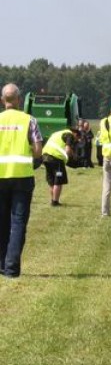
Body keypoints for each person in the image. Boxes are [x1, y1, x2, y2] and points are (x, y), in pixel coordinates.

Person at [0, 83, 43, 278]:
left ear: (3, 100)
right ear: (18, 100)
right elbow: (38, 149)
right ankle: (11, 269)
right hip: (22, 177)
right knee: (18, 223)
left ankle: (1, 264)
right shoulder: (29, 120)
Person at [42, 127, 77, 206]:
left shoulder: (57, 133)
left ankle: (53, 199)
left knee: (51, 180)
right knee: (58, 180)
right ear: (75, 133)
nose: (75, 141)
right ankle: (55, 202)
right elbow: (67, 149)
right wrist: (71, 157)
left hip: (45, 158)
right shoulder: (69, 135)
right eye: (76, 138)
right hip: (56, 160)